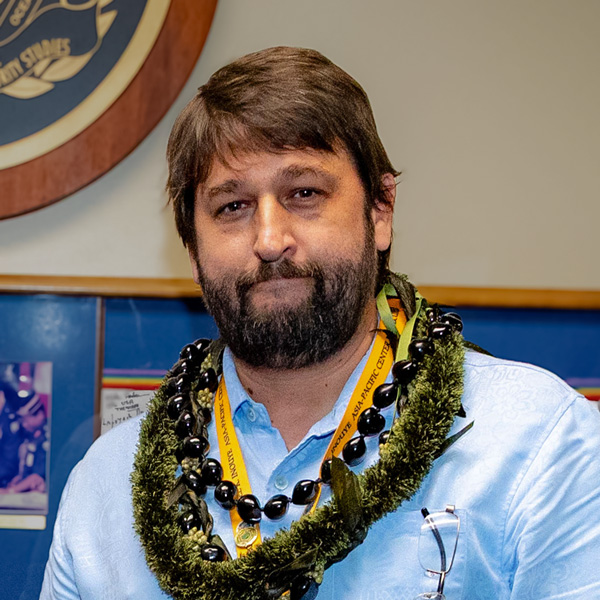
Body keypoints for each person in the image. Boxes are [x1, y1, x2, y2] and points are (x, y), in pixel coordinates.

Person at [41, 47, 600, 600]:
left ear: (381, 210)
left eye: (304, 193)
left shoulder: (539, 445)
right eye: (232, 206)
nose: (269, 240)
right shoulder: (105, 488)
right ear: (192, 249)